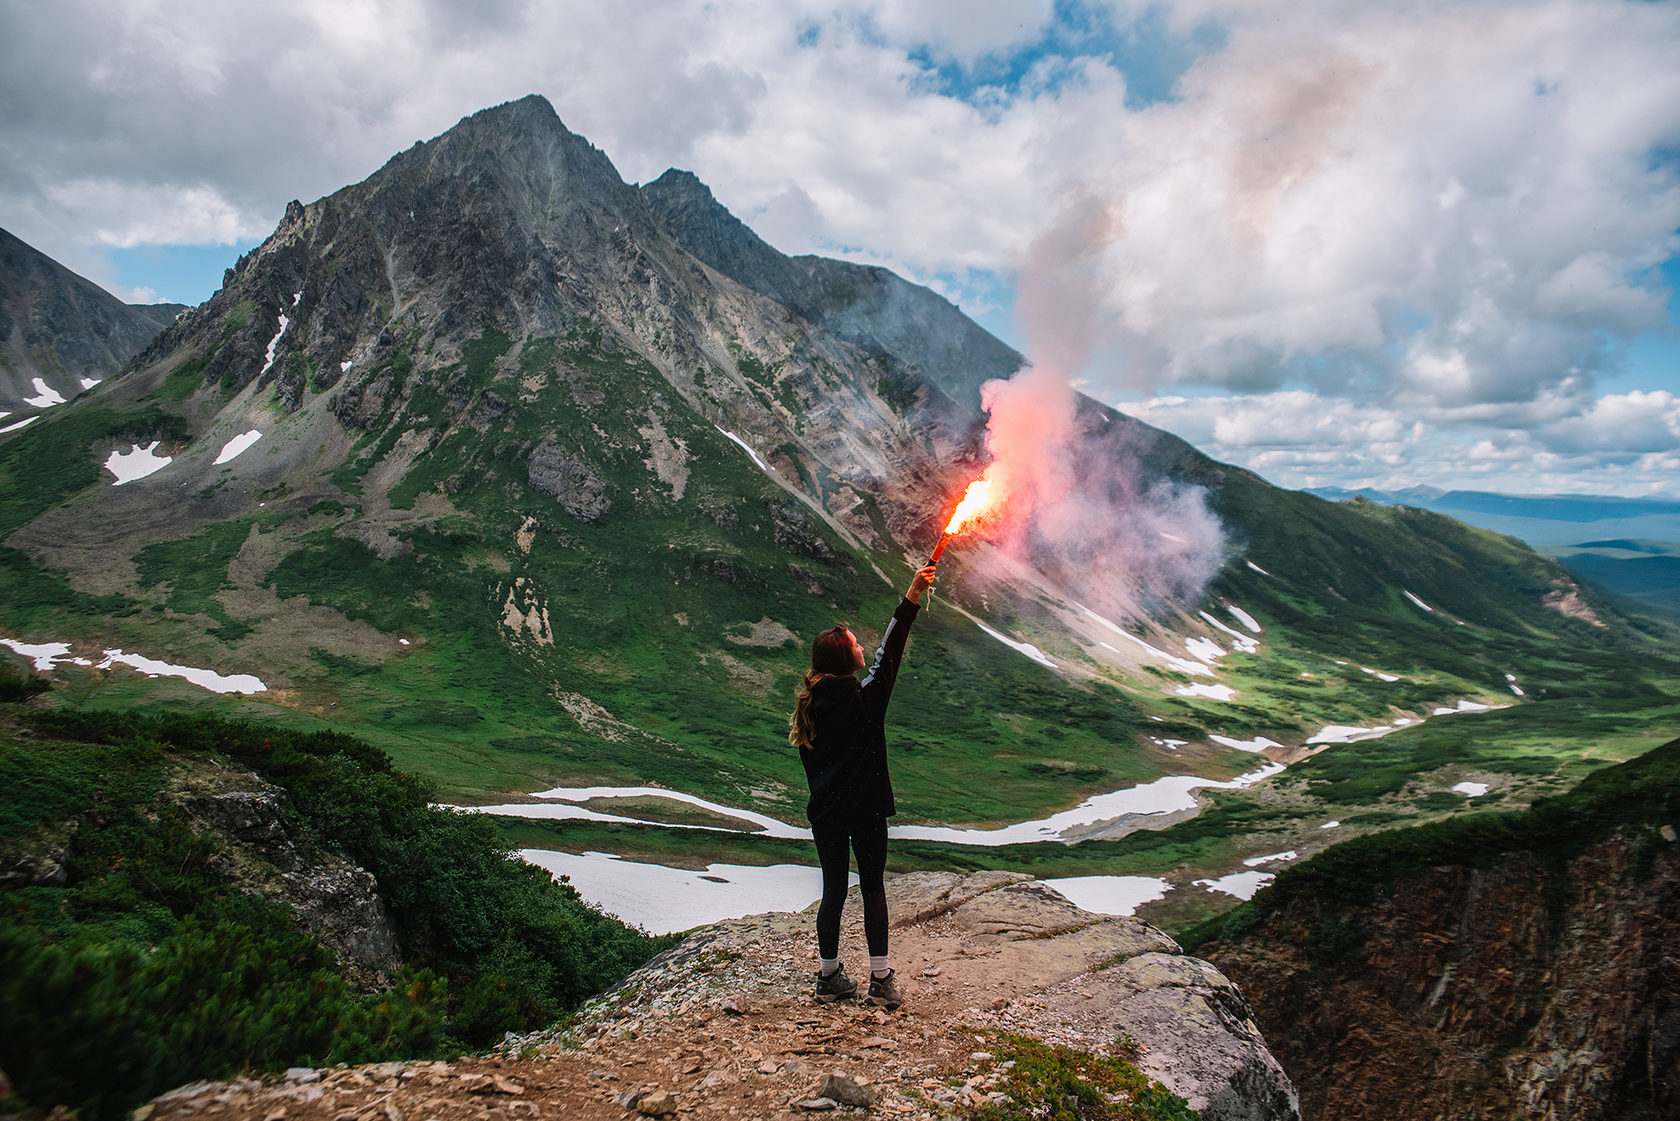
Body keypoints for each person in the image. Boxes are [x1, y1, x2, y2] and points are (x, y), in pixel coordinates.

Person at [787, 564, 937, 1010]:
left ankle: (829, 976)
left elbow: (881, 655)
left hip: (827, 816)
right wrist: (911, 594)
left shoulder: (810, 705)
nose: (861, 646)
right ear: (844, 659)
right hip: (867, 812)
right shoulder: (865, 699)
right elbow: (890, 651)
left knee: (833, 891)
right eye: (854, 643)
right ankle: (881, 979)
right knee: (872, 886)